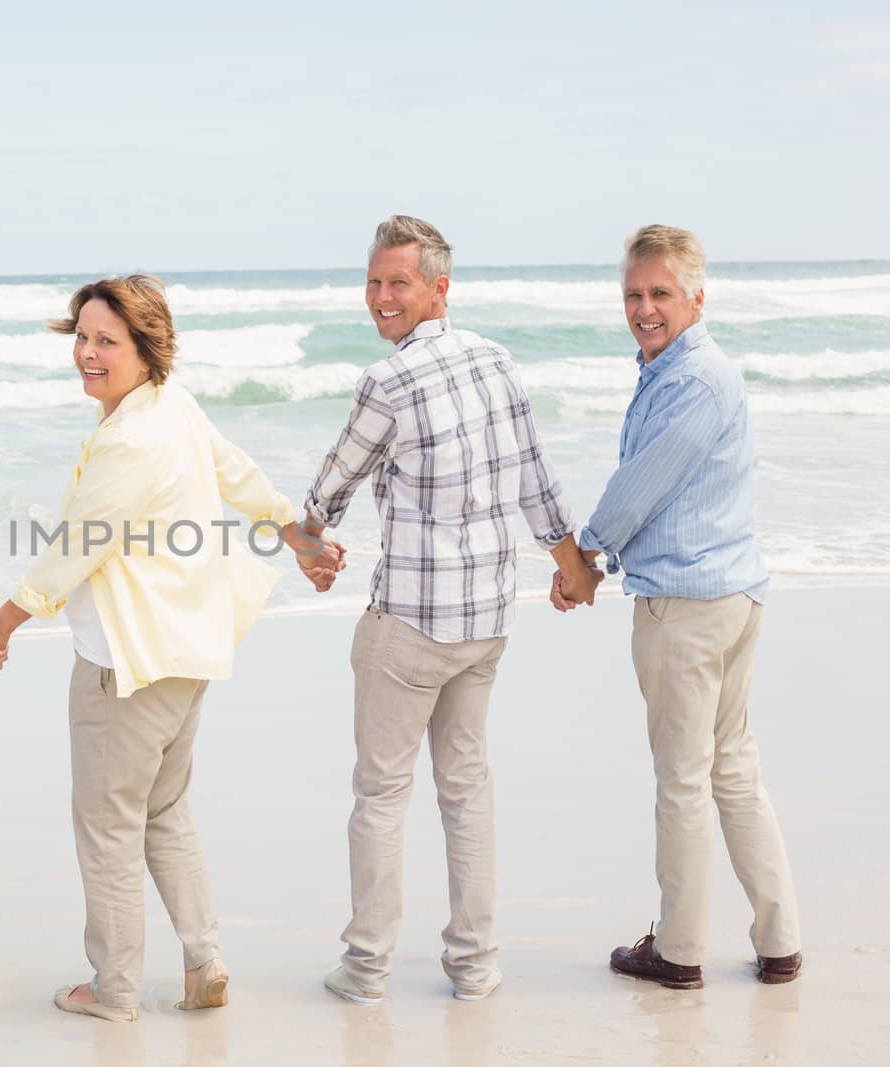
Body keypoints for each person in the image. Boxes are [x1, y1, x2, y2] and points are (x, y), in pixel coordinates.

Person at [0, 274, 338, 1022]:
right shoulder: (174, 407)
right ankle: (203, 962)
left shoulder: (131, 437)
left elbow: (74, 548)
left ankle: (115, 988)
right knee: (164, 810)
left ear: (145, 348)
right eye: (83, 336)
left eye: (108, 340)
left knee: (107, 827)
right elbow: (239, 474)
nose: (87, 353)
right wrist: (294, 531)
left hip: (126, 665)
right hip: (189, 654)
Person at [300, 215, 600, 1005]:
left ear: (439, 287)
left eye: (398, 281)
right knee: (465, 788)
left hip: (409, 624)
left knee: (382, 793)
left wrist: (309, 545)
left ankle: (365, 967)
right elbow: (538, 482)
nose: (381, 297)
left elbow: (330, 486)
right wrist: (572, 569)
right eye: (373, 281)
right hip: (486, 619)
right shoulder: (497, 361)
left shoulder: (387, 382)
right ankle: (476, 964)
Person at [554, 225, 802, 989]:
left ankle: (681, 950)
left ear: (698, 296)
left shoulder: (694, 378)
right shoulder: (673, 370)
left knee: (686, 779)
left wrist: (582, 556)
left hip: (691, 606)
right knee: (729, 771)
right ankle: (779, 940)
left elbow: (641, 485)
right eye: (633, 294)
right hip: (726, 593)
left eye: (660, 293)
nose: (644, 308)